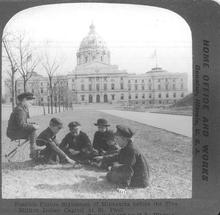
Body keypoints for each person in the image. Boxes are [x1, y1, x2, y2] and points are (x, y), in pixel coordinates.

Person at [95, 125, 150, 190]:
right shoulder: (127, 146)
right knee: (112, 171)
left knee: (110, 176)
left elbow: (128, 169)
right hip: (138, 176)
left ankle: (125, 183)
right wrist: (104, 158)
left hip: (139, 181)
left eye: (117, 139)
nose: (116, 141)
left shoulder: (131, 150)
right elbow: (118, 156)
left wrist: (123, 186)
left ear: (124, 139)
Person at [6, 92, 39, 159]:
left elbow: (22, 122)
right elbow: (22, 125)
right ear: (24, 100)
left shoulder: (21, 108)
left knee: (33, 131)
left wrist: (32, 124)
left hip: (15, 130)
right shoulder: (20, 110)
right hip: (13, 132)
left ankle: (34, 149)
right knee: (32, 131)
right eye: (30, 102)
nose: (31, 104)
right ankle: (33, 153)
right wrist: (32, 126)